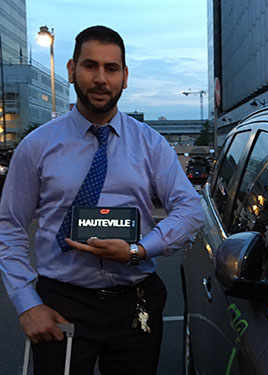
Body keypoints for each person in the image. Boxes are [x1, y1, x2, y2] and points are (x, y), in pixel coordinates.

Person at [0, 25, 204, 375]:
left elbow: (190, 209)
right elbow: (9, 225)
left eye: (111, 69)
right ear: (71, 69)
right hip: (61, 302)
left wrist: (139, 250)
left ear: (124, 77)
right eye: (90, 65)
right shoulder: (37, 145)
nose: (100, 78)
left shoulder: (151, 144)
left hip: (134, 299)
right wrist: (26, 303)